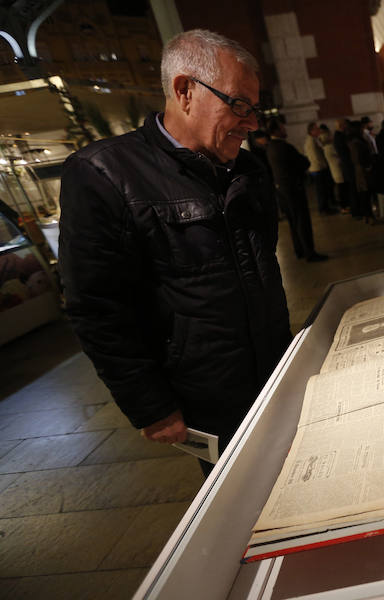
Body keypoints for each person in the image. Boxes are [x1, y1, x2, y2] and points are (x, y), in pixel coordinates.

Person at [57, 29, 292, 475]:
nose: (251, 122)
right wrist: (151, 405)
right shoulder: (103, 175)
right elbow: (96, 308)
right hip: (207, 396)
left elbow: (263, 265)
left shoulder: (249, 169)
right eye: (238, 104)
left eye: (254, 108)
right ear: (185, 91)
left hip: (276, 373)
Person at [266, 117, 328, 262]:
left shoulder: (270, 147)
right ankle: (310, 252)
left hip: (281, 190)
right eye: (282, 127)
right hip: (293, 188)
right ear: (276, 130)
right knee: (302, 221)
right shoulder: (284, 147)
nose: (285, 129)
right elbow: (304, 162)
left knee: (293, 222)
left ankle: (299, 249)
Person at [305, 122, 336, 215]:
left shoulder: (315, 139)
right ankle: (323, 209)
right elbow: (315, 156)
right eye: (316, 128)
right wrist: (323, 165)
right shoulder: (311, 141)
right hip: (318, 169)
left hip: (320, 168)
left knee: (324, 189)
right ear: (311, 131)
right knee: (321, 190)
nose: (319, 130)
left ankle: (326, 207)